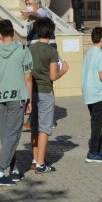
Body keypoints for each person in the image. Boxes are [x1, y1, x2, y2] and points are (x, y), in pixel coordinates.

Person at [0, 19, 33, 186]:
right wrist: (30, 100)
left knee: (7, 137)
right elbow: (27, 77)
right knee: (12, 136)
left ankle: (14, 170)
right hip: (17, 97)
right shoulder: (23, 50)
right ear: (12, 32)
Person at [29, 17, 69, 173]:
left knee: (34, 127)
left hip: (32, 91)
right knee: (44, 128)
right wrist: (64, 70)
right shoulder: (52, 51)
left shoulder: (30, 49)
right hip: (45, 91)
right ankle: (40, 163)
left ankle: (34, 158)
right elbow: (53, 76)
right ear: (51, 32)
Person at [81, 27, 102, 162]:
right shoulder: (100, 54)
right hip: (97, 93)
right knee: (97, 124)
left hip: (89, 92)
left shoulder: (89, 52)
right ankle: (93, 152)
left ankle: (98, 148)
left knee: (95, 121)